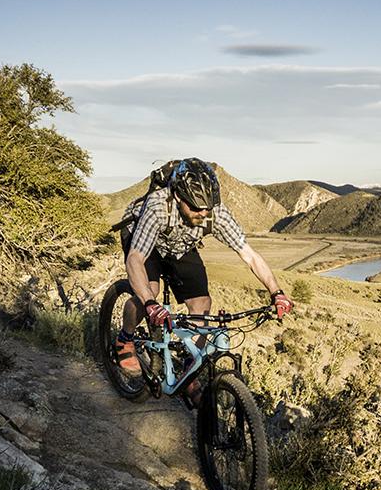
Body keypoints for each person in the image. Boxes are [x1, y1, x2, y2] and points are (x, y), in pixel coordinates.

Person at [114, 158, 294, 391]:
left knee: (202, 302)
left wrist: (276, 292)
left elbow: (250, 255)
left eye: (207, 208)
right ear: (178, 197)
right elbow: (135, 259)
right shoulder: (159, 206)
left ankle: (190, 367)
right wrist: (150, 303)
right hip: (145, 240)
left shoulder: (214, 212)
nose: (203, 213)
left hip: (180, 244)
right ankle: (125, 339)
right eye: (196, 208)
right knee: (150, 290)